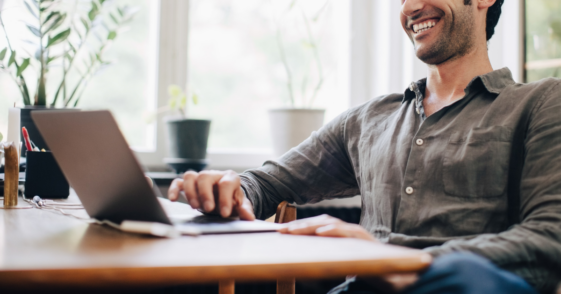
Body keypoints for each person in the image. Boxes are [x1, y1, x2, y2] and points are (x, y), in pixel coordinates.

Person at [168, 0, 561, 293]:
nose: (409, 7)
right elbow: (267, 183)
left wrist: (397, 262)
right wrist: (229, 188)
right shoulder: (368, 119)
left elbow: (549, 237)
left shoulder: (542, 103)